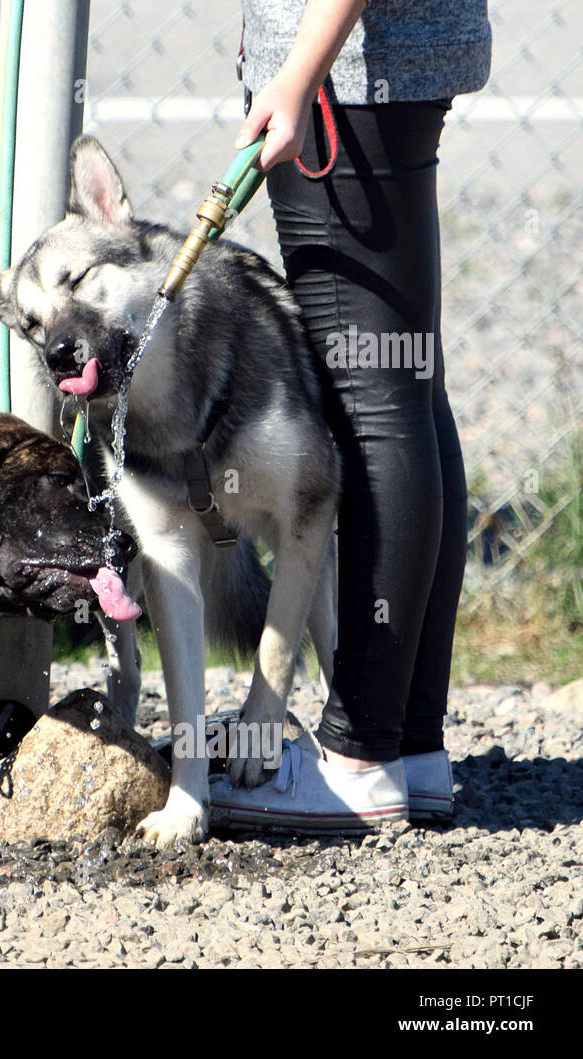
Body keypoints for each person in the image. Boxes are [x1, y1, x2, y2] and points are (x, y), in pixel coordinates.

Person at [208, 0, 492, 830]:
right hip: (389, 66)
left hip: (345, 77)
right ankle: (409, 748)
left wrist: (297, 72)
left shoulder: (323, 72)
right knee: (407, 390)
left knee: (375, 407)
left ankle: (358, 757)